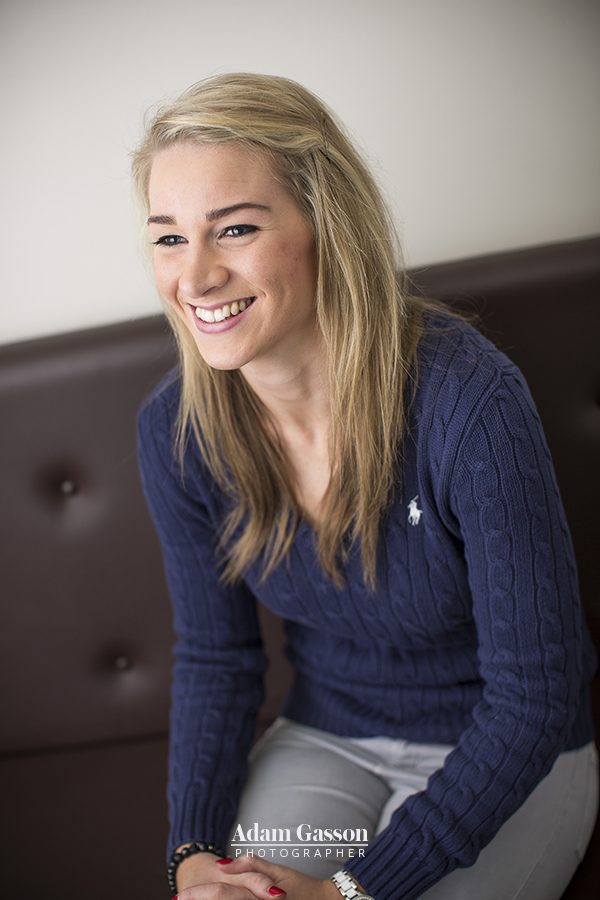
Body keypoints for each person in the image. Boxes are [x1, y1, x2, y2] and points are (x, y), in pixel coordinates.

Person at [133, 73, 598, 900]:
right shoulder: (177, 432)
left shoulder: (469, 400)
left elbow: (537, 694)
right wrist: (192, 854)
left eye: (233, 228)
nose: (196, 277)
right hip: (328, 737)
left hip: (511, 752)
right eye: (168, 237)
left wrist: (353, 891)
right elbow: (217, 657)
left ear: (324, 226)